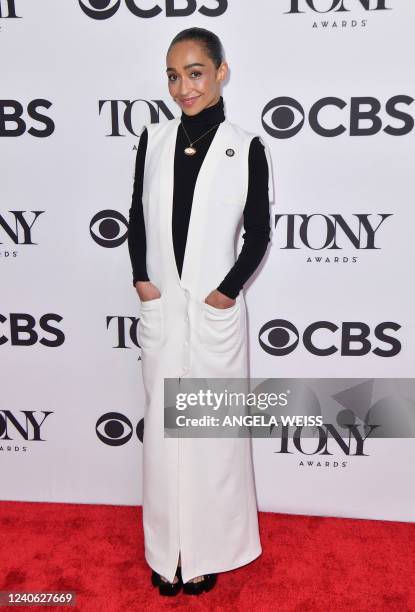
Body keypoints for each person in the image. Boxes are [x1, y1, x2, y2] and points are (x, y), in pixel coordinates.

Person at [127, 27, 274, 597]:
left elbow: (258, 234)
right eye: (172, 75)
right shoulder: (153, 141)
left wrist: (226, 292)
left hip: (214, 315)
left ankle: (208, 551)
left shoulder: (248, 146)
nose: (182, 86)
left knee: (210, 435)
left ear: (220, 72)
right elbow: (136, 218)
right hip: (163, 310)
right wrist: (142, 280)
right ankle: (167, 555)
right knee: (165, 437)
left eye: (194, 72)